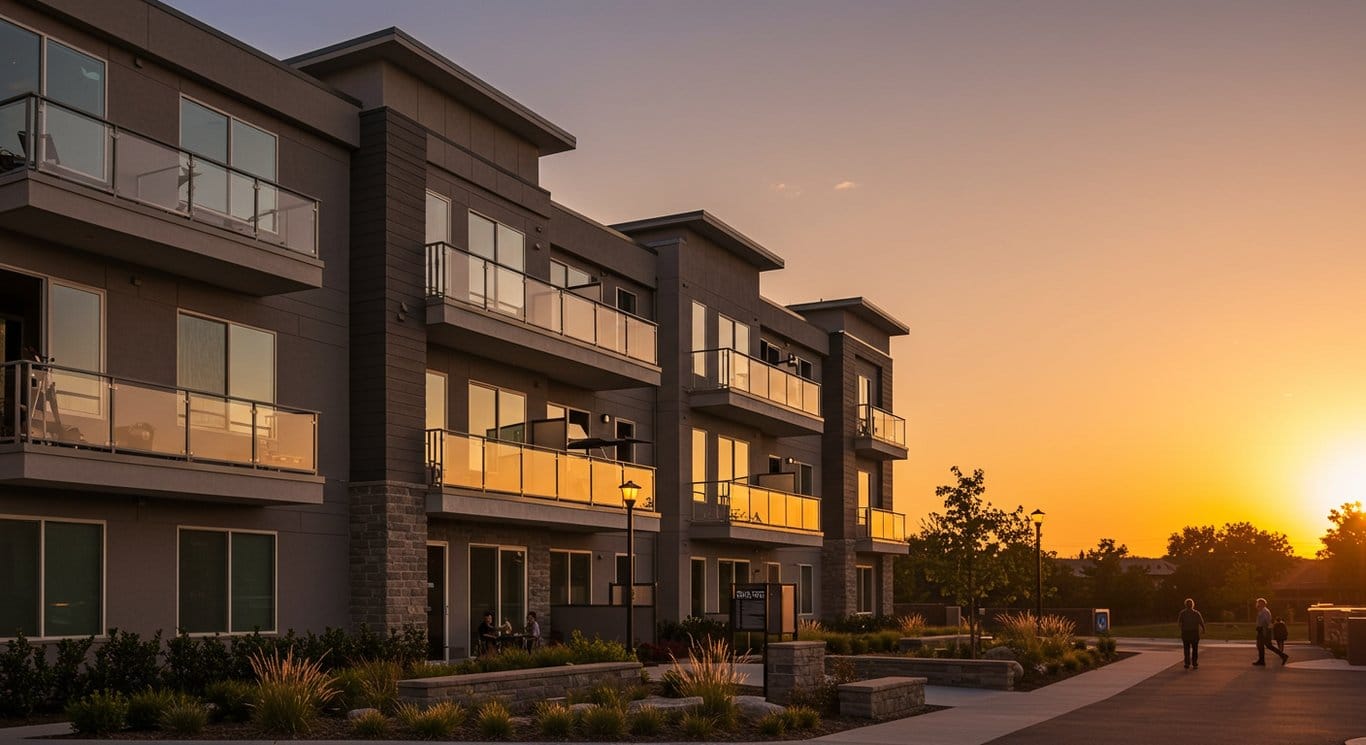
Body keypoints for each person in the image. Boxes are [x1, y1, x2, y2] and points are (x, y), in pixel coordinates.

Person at [1254, 597, 1288, 666]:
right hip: (1262, 630)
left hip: (1264, 630)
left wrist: (1264, 630)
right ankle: (1261, 660)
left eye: (1258, 603)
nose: (1257, 604)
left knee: (1267, 645)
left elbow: (1267, 622)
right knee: (1261, 646)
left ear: (1262, 603)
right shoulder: (1261, 611)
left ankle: (1283, 656)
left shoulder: (1265, 611)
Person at [1177, 598, 1206, 670]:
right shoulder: (1196, 613)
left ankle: (1187, 663)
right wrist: (1203, 629)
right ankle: (1194, 663)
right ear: (1193, 605)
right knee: (1195, 649)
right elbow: (1201, 622)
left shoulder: (1182, 613)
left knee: (1186, 649)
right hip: (1194, 633)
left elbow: (1179, 623)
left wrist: (1182, 629)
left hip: (1186, 633)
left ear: (1185, 605)